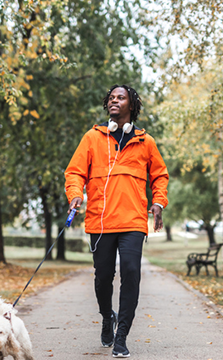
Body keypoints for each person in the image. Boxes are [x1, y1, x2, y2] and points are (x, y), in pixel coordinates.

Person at [64, 84, 169, 358]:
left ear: (131, 105)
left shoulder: (146, 143)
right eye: (111, 98)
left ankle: (121, 335)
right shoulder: (92, 138)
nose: (114, 101)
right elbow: (74, 172)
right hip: (100, 222)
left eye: (120, 98)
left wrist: (158, 202)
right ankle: (106, 317)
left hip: (133, 221)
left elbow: (160, 176)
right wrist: (75, 194)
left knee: (131, 273)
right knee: (103, 280)